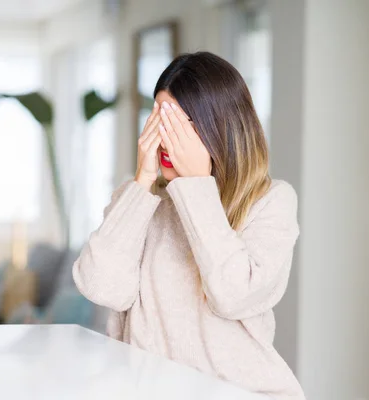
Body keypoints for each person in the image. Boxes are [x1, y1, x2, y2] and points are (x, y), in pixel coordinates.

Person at [72, 51, 305, 400]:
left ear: (219, 126)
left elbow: (234, 296)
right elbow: (102, 287)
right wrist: (143, 180)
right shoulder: (139, 199)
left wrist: (195, 185)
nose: (166, 139)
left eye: (180, 125)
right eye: (159, 121)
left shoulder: (271, 201)